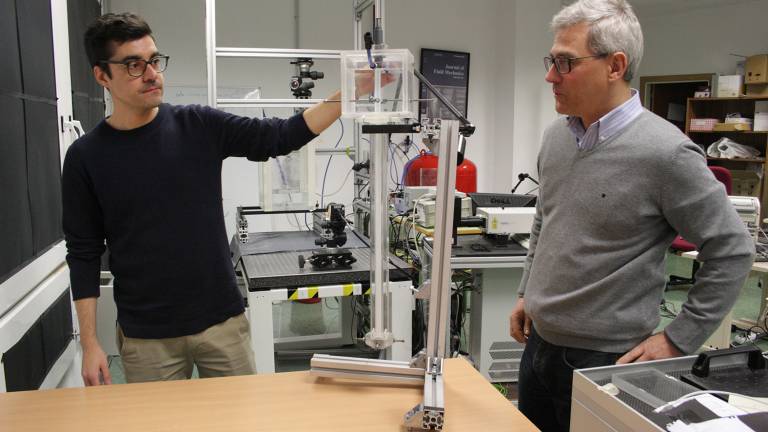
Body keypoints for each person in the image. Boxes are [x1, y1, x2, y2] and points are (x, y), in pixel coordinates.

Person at [63, 12, 355, 385]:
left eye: (154, 60)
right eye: (134, 65)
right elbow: (83, 253)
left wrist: (346, 97)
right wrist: (89, 344)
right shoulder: (86, 157)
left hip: (223, 325)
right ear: (102, 75)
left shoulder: (198, 125)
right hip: (147, 337)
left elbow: (278, 136)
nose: (152, 73)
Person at [508, 1, 754, 430]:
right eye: (551, 61)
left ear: (615, 65)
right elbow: (545, 219)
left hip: (606, 359)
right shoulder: (556, 138)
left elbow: (732, 250)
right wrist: (527, 291)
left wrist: (679, 338)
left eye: (564, 63)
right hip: (537, 346)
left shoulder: (666, 153)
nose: (550, 75)